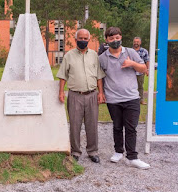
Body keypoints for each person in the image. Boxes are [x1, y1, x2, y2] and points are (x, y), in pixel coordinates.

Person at [99, 27, 150, 169]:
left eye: (117, 38)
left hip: (131, 97)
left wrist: (132, 64)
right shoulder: (102, 58)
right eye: (111, 38)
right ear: (107, 40)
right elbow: (100, 77)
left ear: (121, 37)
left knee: (131, 127)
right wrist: (101, 93)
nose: (115, 41)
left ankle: (132, 157)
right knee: (117, 126)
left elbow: (143, 69)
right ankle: (118, 151)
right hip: (113, 98)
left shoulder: (131, 52)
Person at [56, 29, 106, 163]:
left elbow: (99, 76)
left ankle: (93, 151)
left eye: (85, 38)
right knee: (74, 125)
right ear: (76, 39)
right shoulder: (69, 56)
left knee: (92, 125)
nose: (83, 40)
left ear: (89, 40)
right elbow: (62, 76)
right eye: (81, 38)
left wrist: (101, 93)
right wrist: (61, 92)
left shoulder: (94, 55)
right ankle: (76, 152)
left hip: (92, 95)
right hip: (75, 96)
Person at [133, 37, 149, 105]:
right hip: (131, 72)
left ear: (140, 43)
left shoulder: (144, 51)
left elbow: (147, 61)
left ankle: (141, 100)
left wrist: (147, 70)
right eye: (135, 41)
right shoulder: (130, 50)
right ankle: (133, 100)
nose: (136, 43)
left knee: (140, 86)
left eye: (137, 42)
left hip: (140, 72)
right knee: (131, 87)